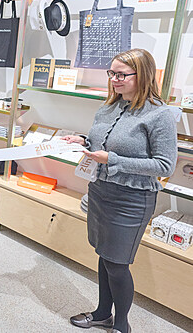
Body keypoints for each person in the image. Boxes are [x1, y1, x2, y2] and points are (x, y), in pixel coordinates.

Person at [63, 49, 177, 333]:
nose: (114, 79)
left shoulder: (159, 115)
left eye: (121, 75)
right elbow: (102, 142)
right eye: (111, 73)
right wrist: (82, 141)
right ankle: (103, 313)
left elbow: (164, 165)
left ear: (143, 75)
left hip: (131, 200)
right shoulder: (109, 107)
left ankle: (122, 325)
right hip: (101, 192)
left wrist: (112, 160)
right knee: (105, 255)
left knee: (118, 264)